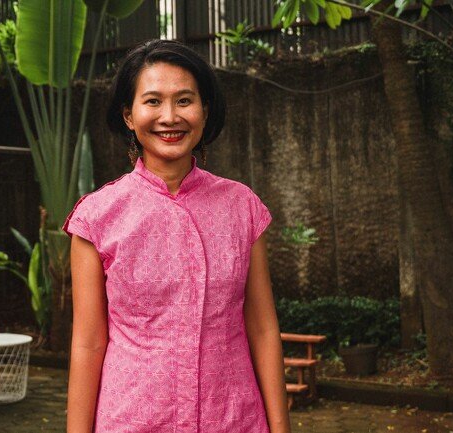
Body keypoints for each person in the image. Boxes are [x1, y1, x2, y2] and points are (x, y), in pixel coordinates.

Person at [63, 39, 290, 433]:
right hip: (133, 420)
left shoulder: (243, 208)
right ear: (129, 116)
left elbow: (264, 329)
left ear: (205, 111)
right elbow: (88, 344)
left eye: (184, 100)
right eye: (152, 101)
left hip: (232, 418)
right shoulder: (96, 218)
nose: (169, 117)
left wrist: (280, 427)